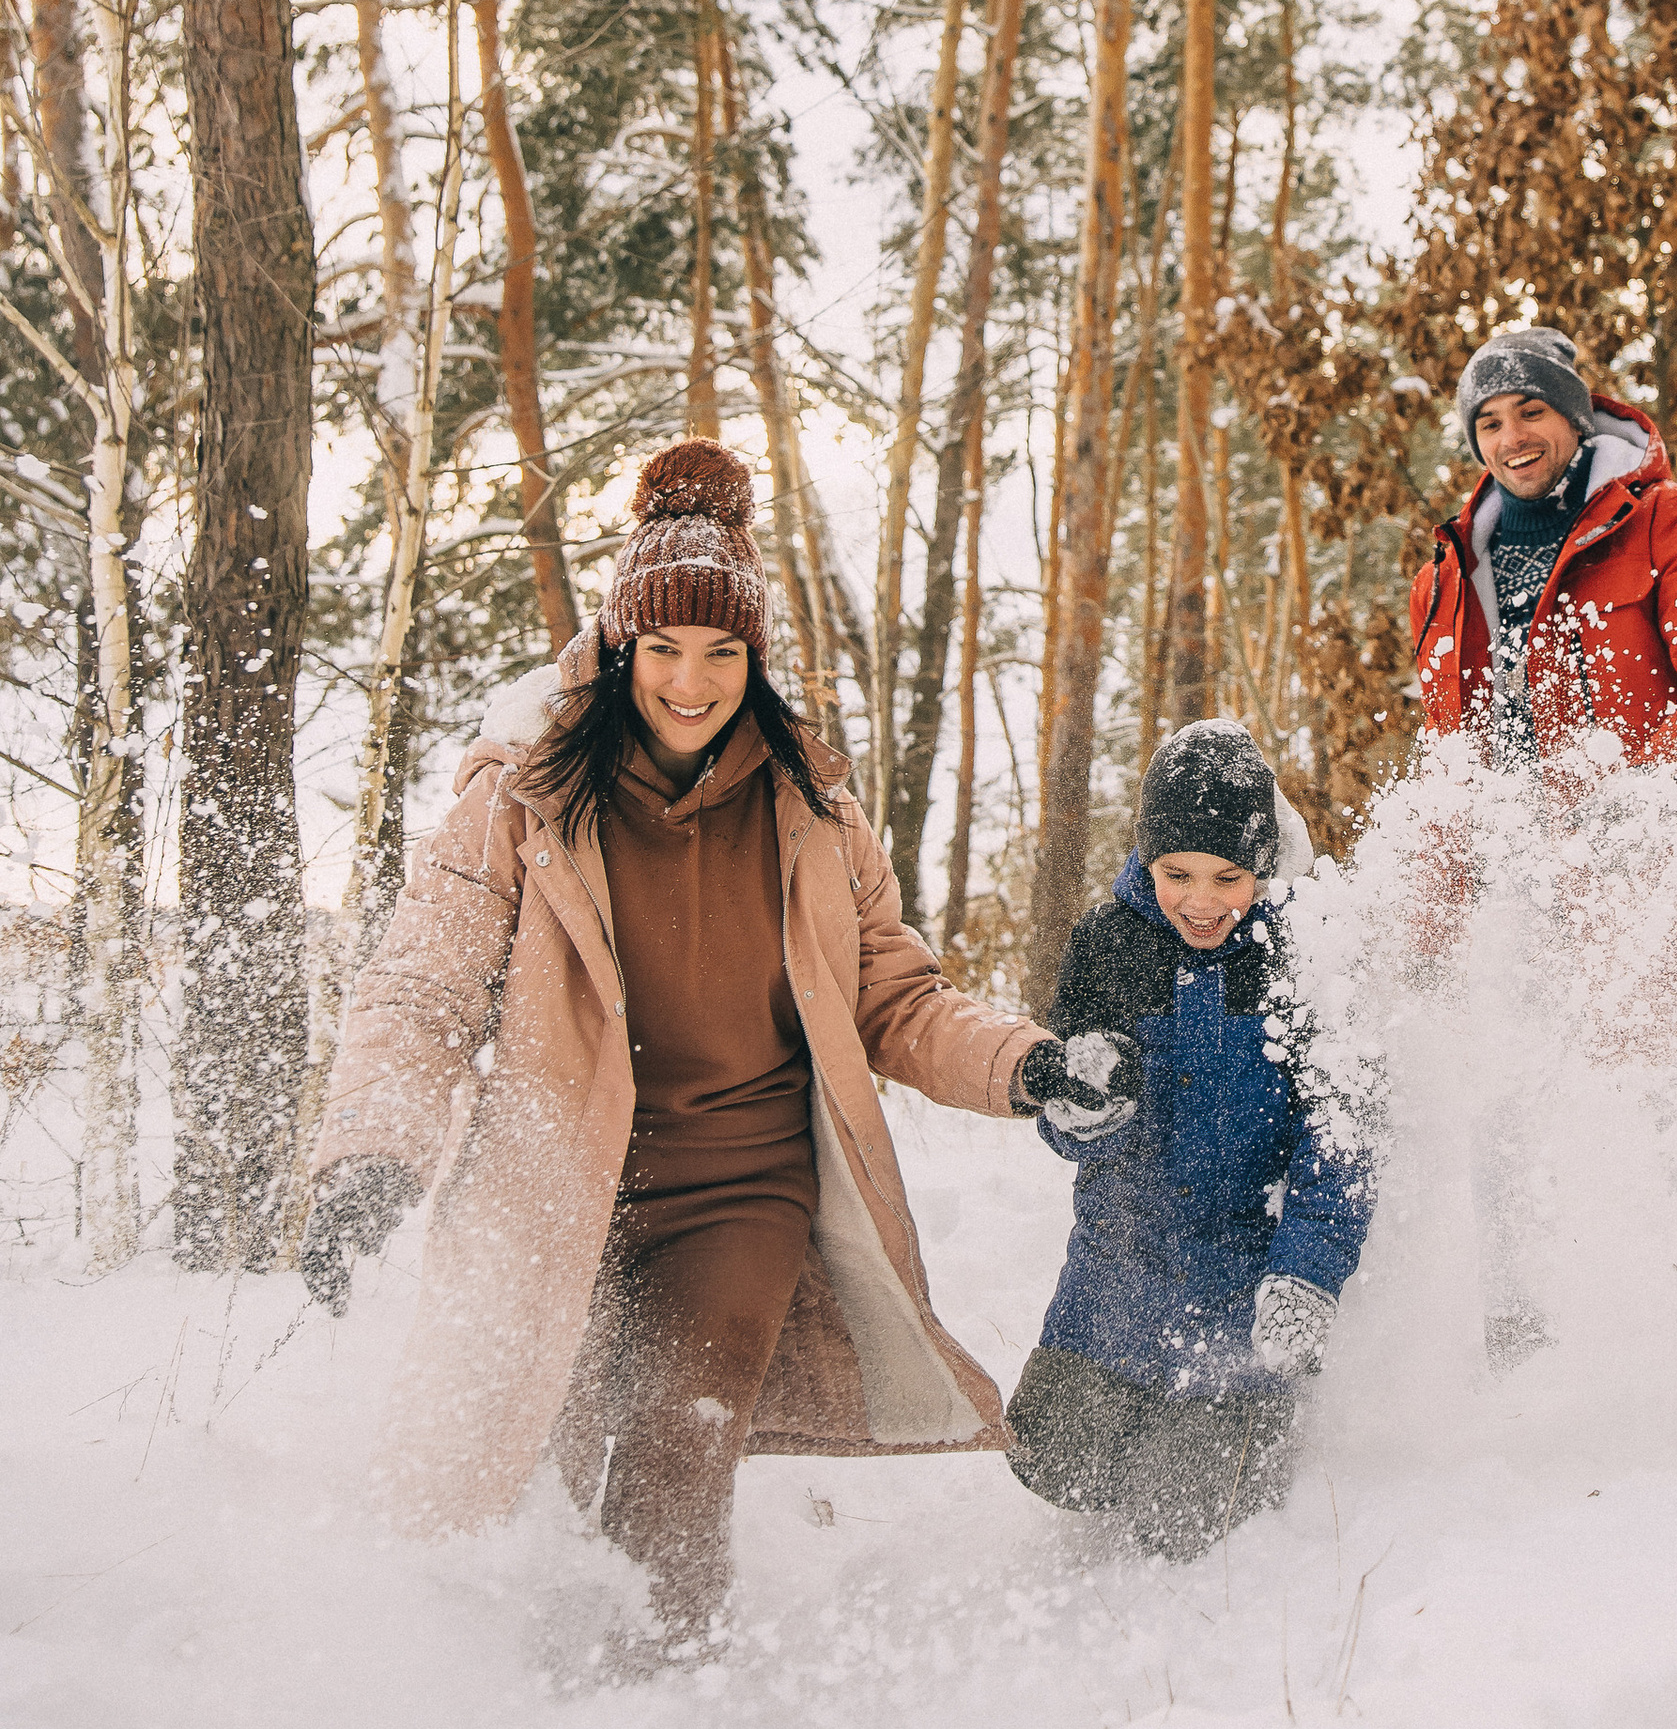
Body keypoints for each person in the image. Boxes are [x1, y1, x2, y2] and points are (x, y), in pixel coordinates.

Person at [300, 441, 1125, 1650]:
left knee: (677, 1457)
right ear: (619, 645)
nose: (692, 681)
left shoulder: (813, 809)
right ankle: (508, 1699)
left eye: (723, 652)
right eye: (665, 649)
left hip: (740, 1191)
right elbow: (424, 987)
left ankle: (669, 1699)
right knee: (528, 1465)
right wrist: (372, 1151)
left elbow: (896, 998)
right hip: (555, 1187)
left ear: (755, 658)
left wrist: (1027, 1063)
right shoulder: (520, 796)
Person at [1005, 721, 1371, 1560]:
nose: (1202, 901)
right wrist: (1075, 1110)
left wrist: (1308, 1272)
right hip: (1117, 1277)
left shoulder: (1304, 954)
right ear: (1146, 858)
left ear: (1262, 866)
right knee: (1054, 1460)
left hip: (1240, 1290)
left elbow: (1343, 1137)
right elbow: (1065, 1112)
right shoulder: (1106, 944)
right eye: (1177, 874)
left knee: (1187, 1516)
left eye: (1227, 877)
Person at [1411, 325, 1677, 773]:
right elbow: (1448, 751)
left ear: (1574, 417)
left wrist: (1651, 794)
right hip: (1507, 819)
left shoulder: (1674, 523)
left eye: (1532, 412)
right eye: (1490, 424)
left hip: (1664, 812)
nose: (1513, 438)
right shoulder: (1443, 583)